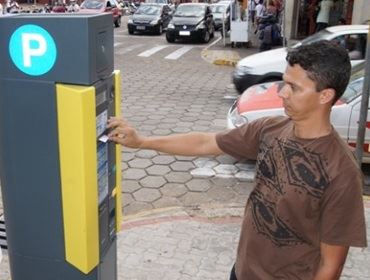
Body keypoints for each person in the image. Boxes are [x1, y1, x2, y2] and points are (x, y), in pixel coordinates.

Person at [107, 41, 367, 279]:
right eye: (284, 82)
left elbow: (331, 266)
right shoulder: (269, 129)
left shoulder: (341, 172)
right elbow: (206, 142)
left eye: (294, 87)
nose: (282, 93)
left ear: (325, 96)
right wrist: (142, 142)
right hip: (241, 272)